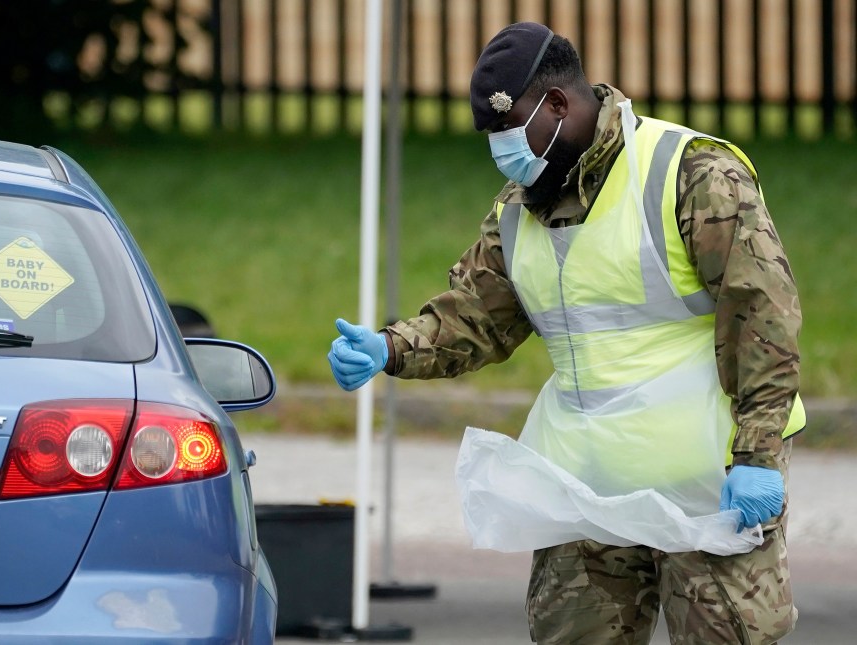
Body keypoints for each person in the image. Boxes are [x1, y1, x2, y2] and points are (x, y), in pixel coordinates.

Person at [327, 21, 805, 645]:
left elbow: (762, 317)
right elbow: (476, 314)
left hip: (710, 479)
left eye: (510, 129)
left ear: (558, 104)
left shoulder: (690, 174)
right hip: (588, 483)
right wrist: (390, 346)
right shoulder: (519, 206)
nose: (502, 149)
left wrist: (758, 455)